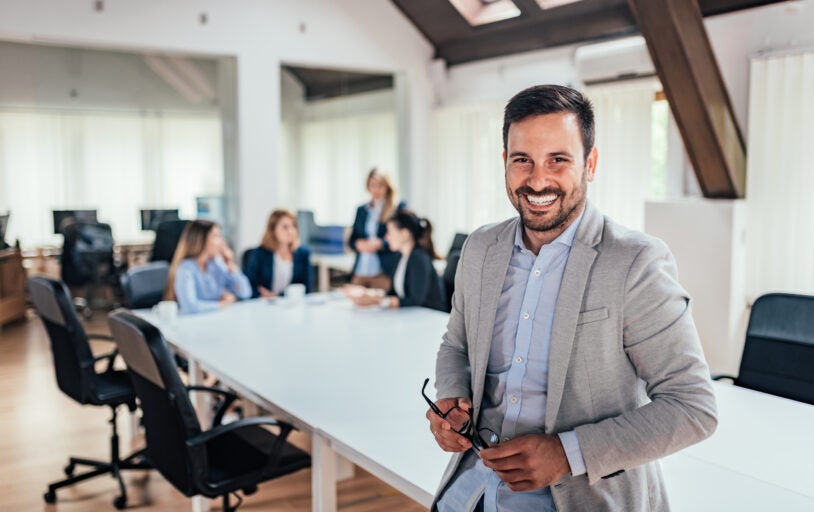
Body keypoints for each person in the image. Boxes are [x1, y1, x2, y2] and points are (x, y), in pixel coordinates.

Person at [426, 85, 717, 512]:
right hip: (470, 491)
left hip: (583, 497)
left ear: (590, 164)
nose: (537, 180)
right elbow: (456, 345)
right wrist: (451, 399)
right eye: (521, 160)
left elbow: (693, 407)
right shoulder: (480, 247)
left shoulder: (635, 262)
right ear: (504, 163)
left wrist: (567, 453)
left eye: (557, 160)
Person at [348, 210, 446, 312]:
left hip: (429, 317)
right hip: (412, 315)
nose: (386, 237)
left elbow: (415, 300)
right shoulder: (399, 257)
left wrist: (377, 302)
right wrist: (369, 294)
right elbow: (395, 292)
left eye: (389, 232)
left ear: (405, 234)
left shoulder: (418, 259)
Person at [165, 219, 251, 314]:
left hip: (213, 319)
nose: (222, 242)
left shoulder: (216, 265)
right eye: (216, 236)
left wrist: (231, 265)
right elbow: (189, 307)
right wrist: (221, 304)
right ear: (201, 239)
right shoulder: (186, 268)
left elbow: (245, 293)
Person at [348, 168, 404, 290]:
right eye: (373, 185)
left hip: (383, 271)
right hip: (361, 270)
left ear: (388, 187)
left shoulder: (396, 208)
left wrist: (380, 244)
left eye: (381, 186)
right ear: (368, 186)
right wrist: (358, 244)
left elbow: (403, 237)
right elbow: (352, 240)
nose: (376, 190)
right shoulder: (362, 210)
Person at [243, 209, 313, 298]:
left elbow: (306, 288)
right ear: (272, 230)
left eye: (293, 226)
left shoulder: (303, 254)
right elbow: (248, 285)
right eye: (285, 227)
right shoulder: (259, 254)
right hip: (262, 304)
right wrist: (261, 295)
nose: (291, 231)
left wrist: (278, 296)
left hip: (290, 305)